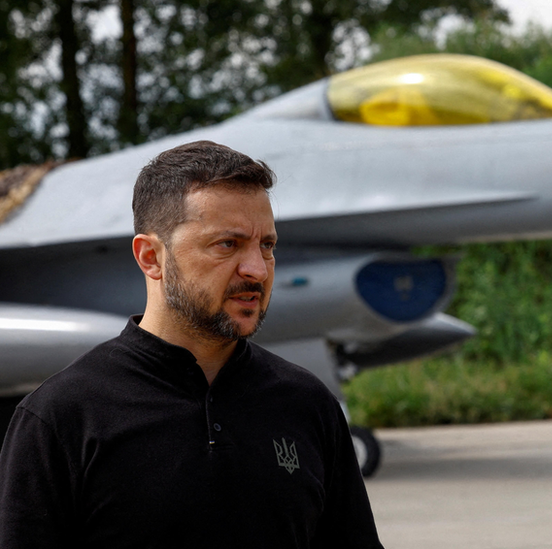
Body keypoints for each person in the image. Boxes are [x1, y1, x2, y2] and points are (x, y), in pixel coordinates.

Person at [0, 141, 384, 548]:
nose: (257, 269)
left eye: (267, 246)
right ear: (151, 257)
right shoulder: (61, 419)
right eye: (227, 244)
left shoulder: (308, 405)